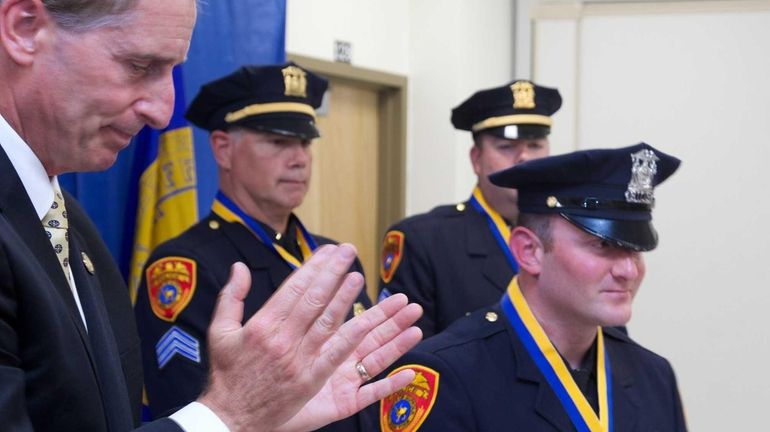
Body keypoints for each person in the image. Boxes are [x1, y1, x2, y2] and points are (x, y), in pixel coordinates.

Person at [0, 1, 422, 431]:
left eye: (304, 144)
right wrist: (233, 415)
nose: (164, 112)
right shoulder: (185, 265)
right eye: (139, 65)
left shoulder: (67, 223)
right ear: (25, 28)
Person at [377, 143, 688, 431]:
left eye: (635, 249)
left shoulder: (654, 376)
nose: (629, 270)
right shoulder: (448, 375)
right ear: (530, 252)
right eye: (604, 245)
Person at [134, 63, 373, 429]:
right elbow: (186, 412)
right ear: (223, 149)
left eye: (305, 143)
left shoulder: (335, 258)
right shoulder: (187, 266)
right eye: (278, 142)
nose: (299, 159)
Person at [378, 80, 562, 337]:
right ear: (476, 159)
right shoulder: (425, 241)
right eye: (507, 147)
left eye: (535, 145)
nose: (524, 158)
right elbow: (406, 361)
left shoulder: (573, 235)